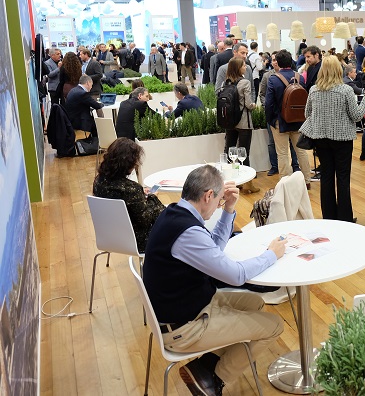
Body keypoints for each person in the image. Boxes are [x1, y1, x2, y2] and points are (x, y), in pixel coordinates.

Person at [143, 165, 286, 396]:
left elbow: (214, 251)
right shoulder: (188, 233)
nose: (219, 205)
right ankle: (215, 380)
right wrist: (272, 254)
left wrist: (228, 209)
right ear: (208, 195)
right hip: (183, 328)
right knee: (274, 327)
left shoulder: (174, 214)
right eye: (219, 200)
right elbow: (236, 276)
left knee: (256, 304)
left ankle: (204, 367)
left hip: (183, 307)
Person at [300, 55, 365, 221]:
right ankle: (345, 218)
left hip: (320, 138)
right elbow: (356, 116)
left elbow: (307, 114)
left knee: (326, 177)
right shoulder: (345, 90)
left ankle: (329, 217)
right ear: (338, 70)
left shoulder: (314, 90)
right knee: (342, 178)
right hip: (342, 140)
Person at [92, 137, 165, 252]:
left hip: (109, 237)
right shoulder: (131, 189)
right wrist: (152, 197)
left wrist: (140, 197)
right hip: (137, 240)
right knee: (168, 215)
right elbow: (145, 220)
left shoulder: (98, 181)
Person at [265, 49, 312, 186]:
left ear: (278, 62)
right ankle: (307, 180)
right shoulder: (300, 77)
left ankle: (285, 182)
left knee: (282, 153)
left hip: (280, 121)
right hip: (298, 120)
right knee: (301, 151)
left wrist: (271, 120)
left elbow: (269, 103)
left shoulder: (273, 79)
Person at [222, 57, 260, 193]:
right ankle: (248, 185)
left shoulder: (225, 82)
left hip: (229, 122)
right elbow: (249, 104)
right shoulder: (245, 82)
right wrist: (255, 105)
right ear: (239, 68)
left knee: (230, 152)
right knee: (244, 153)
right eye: (244, 65)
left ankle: (233, 182)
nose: (246, 67)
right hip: (244, 121)